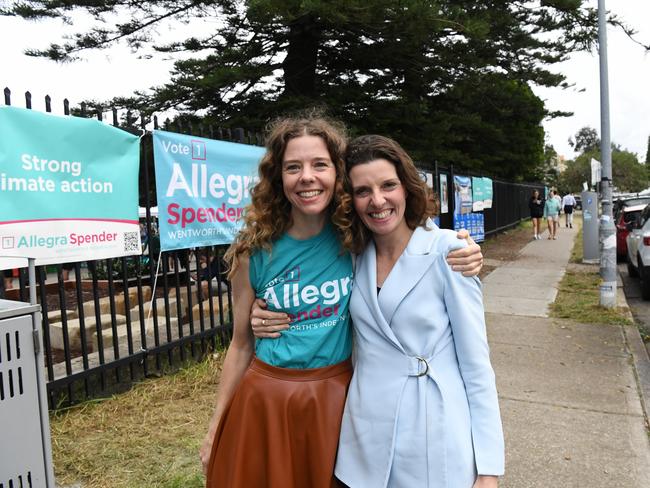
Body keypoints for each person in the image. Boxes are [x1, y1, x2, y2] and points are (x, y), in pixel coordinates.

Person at [200, 114, 485, 487]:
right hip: (266, 399)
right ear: (277, 177)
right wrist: (214, 427)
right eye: (292, 167)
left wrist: (465, 247)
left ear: (338, 174)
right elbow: (240, 345)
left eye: (320, 164)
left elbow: (407, 234)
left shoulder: (355, 240)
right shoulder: (252, 252)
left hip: (335, 398)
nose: (307, 177)